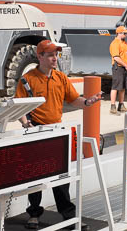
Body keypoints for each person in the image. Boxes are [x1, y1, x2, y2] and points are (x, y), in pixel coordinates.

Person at [16, 39, 101, 231]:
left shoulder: (61, 78)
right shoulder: (27, 79)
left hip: (57, 132)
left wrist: (88, 102)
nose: (55, 58)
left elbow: (74, 99)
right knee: (35, 177)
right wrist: (25, 123)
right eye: (51, 55)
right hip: (36, 132)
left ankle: (68, 215)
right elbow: (19, 105)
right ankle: (34, 214)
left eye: (56, 55)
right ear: (40, 57)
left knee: (61, 177)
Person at [109, 26, 127, 115]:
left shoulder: (124, 43)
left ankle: (121, 105)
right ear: (119, 33)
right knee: (115, 87)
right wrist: (125, 65)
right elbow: (116, 58)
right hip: (118, 67)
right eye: (124, 33)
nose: (126, 35)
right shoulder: (115, 43)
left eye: (126, 33)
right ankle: (112, 107)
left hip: (124, 68)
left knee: (122, 87)